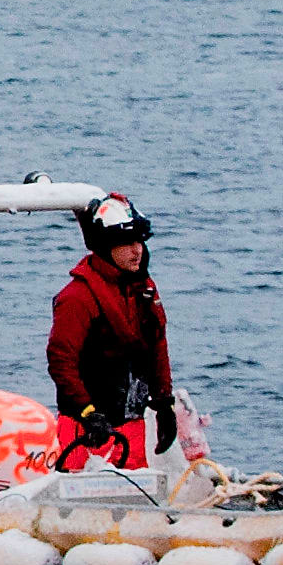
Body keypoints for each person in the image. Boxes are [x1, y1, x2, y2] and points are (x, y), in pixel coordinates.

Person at [47, 193, 174, 472]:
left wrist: (164, 404)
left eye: (139, 242)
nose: (136, 250)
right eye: (127, 243)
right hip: (87, 429)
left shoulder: (143, 291)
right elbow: (61, 362)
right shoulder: (78, 298)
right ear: (106, 247)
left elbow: (157, 346)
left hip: (131, 424)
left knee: (135, 494)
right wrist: (88, 413)